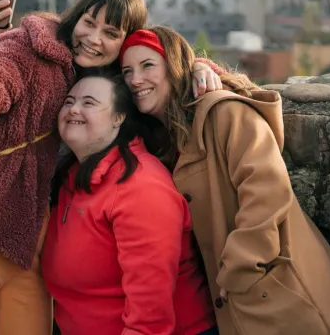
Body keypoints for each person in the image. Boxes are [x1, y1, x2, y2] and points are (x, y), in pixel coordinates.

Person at [0, 0, 221, 335]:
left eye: (110, 32)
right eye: (88, 22)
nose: (93, 38)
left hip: (31, 238)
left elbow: (159, 66)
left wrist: (199, 68)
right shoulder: (28, 47)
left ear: (124, 43)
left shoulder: (111, 76)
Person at [120, 27, 330, 335]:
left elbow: (268, 189)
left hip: (272, 283)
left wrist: (241, 266)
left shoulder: (223, 113)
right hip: (229, 301)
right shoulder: (161, 141)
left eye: (148, 65)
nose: (135, 80)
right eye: (127, 72)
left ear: (175, 65)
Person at [42, 72, 218, 335]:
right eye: (68, 101)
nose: (74, 109)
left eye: (89, 103)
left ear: (118, 118)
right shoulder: (74, 175)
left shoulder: (141, 186)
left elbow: (150, 317)